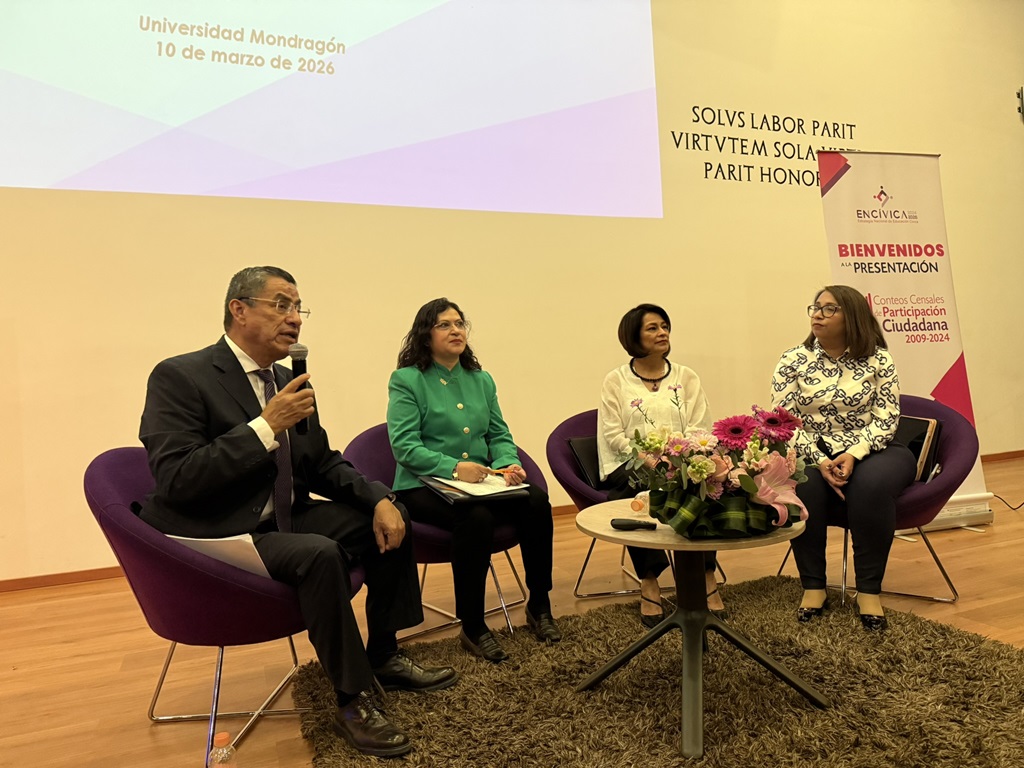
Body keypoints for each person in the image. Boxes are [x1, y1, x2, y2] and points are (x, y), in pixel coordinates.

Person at [138, 266, 458, 759]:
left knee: (392, 518)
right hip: (225, 529)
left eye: (298, 308)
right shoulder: (181, 375)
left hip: (286, 514)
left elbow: (321, 462)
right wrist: (263, 428)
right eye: (281, 304)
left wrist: (379, 498)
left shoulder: (287, 379)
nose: (295, 319)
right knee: (320, 555)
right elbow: (178, 479)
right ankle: (353, 699)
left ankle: (386, 654)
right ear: (238, 309)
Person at [386, 298, 561, 663]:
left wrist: (509, 464)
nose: (456, 330)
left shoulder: (481, 380)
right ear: (425, 334)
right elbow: (404, 447)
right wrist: (453, 467)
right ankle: (473, 625)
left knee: (536, 501)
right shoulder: (407, 380)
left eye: (460, 324)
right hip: (422, 485)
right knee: (475, 517)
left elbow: (498, 434)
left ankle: (540, 605)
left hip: (479, 485)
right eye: (444, 325)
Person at [770, 285, 917, 631]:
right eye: (815, 307)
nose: (817, 314)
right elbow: (783, 421)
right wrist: (820, 460)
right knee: (804, 483)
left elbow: (887, 419)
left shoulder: (879, 358)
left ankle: (868, 591)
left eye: (829, 309)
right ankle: (813, 587)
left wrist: (853, 454)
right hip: (810, 449)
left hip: (875, 447)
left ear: (851, 315)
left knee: (870, 486)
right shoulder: (793, 359)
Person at [597, 303, 723, 627]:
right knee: (637, 493)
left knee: (705, 483)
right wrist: (647, 455)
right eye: (652, 328)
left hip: (682, 457)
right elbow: (612, 433)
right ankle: (649, 580)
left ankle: (706, 576)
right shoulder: (616, 380)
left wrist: (680, 453)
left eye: (664, 325)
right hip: (632, 462)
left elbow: (700, 425)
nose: (662, 332)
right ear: (633, 336)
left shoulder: (686, 376)